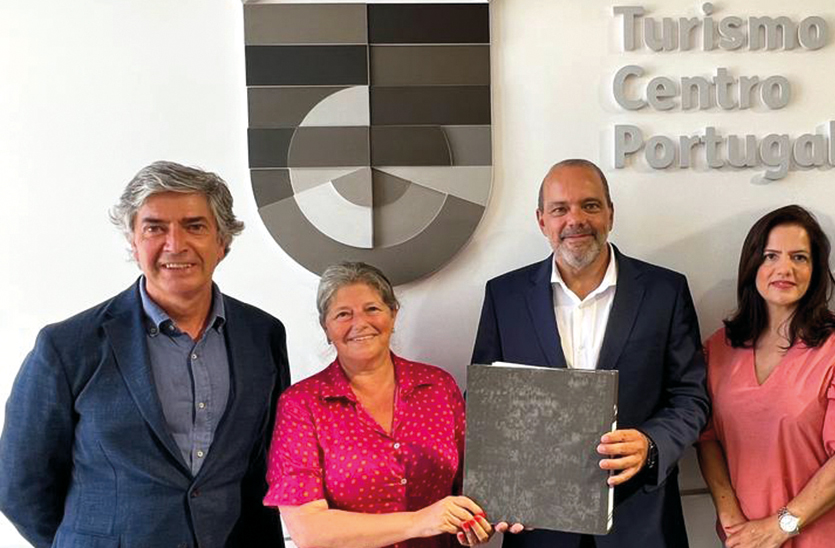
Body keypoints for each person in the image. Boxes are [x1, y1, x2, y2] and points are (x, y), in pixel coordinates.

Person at [0, 161, 291, 548]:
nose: (175, 244)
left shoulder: (262, 335)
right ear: (133, 242)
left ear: (222, 241)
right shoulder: (67, 346)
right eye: (155, 228)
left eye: (194, 226)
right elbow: (19, 485)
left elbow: (265, 468)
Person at [471, 159, 710, 548]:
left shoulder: (665, 291)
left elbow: (691, 396)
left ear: (610, 213)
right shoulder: (505, 296)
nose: (576, 220)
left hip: (641, 522)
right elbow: (485, 401)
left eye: (590, 205)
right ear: (541, 220)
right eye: (560, 209)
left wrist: (651, 443)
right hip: (537, 527)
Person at [266, 261, 512, 548]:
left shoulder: (438, 386)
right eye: (343, 314)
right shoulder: (301, 404)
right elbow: (309, 530)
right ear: (326, 327)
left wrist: (481, 521)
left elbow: (477, 484)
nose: (360, 323)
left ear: (393, 314)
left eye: (372, 309)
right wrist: (420, 521)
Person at [696, 205, 835, 548]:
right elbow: (706, 438)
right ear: (752, 265)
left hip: (823, 536)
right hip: (744, 538)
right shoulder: (719, 348)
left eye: (799, 257)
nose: (784, 269)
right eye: (770, 256)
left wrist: (782, 525)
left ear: (815, 269)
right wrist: (731, 520)